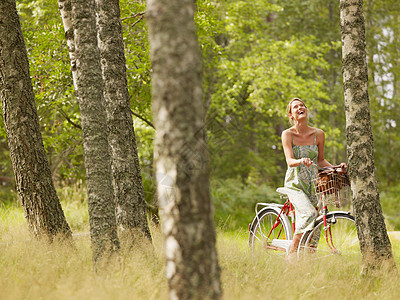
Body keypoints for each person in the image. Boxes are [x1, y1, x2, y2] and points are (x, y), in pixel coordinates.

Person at [281, 98, 346, 259]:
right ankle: (291, 255)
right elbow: (289, 161)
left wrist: (336, 168)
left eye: (302, 105)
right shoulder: (287, 134)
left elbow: (321, 160)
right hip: (295, 184)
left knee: (318, 220)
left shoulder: (318, 134)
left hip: (313, 184)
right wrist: (300, 161)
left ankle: (309, 260)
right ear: (291, 114)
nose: (300, 107)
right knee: (309, 213)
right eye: (296, 107)